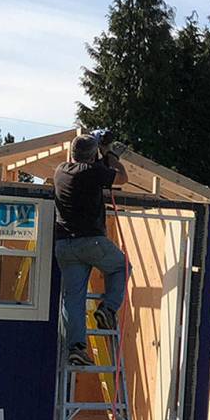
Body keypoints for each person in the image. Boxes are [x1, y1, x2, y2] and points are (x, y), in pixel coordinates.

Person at [53, 133, 130, 366]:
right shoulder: (93, 173)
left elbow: (88, 168)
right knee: (121, 266)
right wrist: (112, 155)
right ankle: (107, 309)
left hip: (64, 245)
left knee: (73, 298)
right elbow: (123, 179)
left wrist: (100, 154)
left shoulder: (60, 171)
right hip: (91, 241)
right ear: (93, 154)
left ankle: (77, 348)